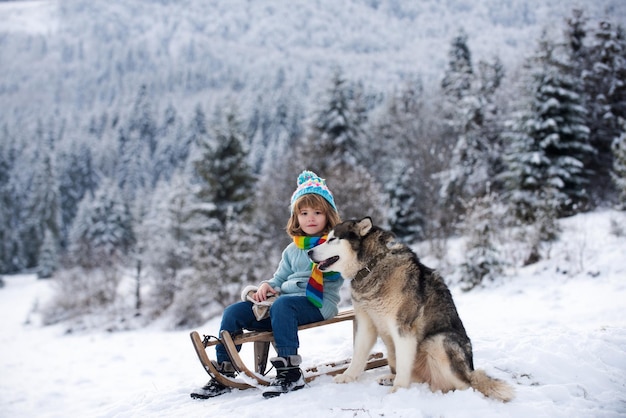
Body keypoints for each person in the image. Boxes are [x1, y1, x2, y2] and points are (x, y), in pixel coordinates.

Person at [191, 170, 343, 399]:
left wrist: (326, 263)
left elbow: (338, 273)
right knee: (233, 312)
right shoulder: (292, 249)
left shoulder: (334, 245)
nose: (310, 218)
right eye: (303, 213)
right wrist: (265, 287)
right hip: (283, 306)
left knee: (283, 305)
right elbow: (279, 279)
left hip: (318, 302)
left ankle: (290, 372)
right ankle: (225, 370)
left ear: (328, 215)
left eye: (317, 212)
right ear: (296, 217)